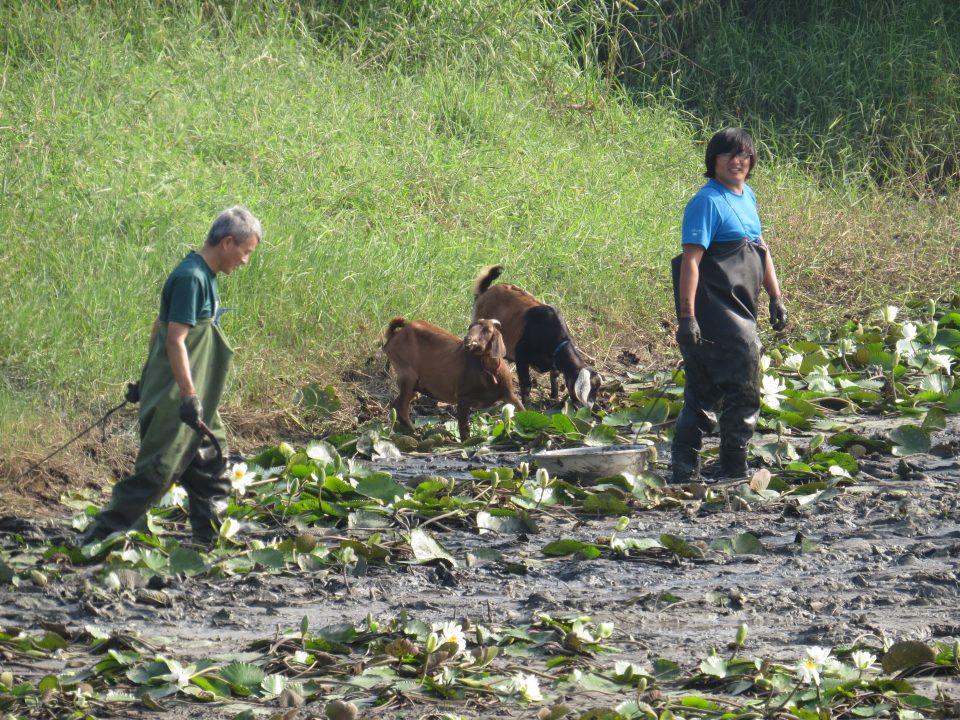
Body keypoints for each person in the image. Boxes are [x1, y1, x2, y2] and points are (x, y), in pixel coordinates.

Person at [81, 206, 262, 546]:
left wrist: (147, 375)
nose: (245, 261)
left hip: (196, 394)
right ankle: (97, 537)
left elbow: (158, 326)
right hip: (178, 397)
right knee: (157, 473)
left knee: (212, 464)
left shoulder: (205, 276)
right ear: (227, 242)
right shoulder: (190, 278)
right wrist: (187, 395)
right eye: (246, 252)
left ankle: (210, 542)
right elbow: (175, 339)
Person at [670, 128, 787, 484]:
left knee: (703, 392)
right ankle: (734, 468)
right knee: (745, 389)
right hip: (716, 312)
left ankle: (684, 470)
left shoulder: (746, 195)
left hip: (742, 307)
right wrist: (687, 318)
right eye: (729, 154)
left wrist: (776, 296)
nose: (738, 161)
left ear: (751, 162)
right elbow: (690, 262)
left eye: (744, 155)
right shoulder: (707, 202)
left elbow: (760, 249)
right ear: (713, 161)